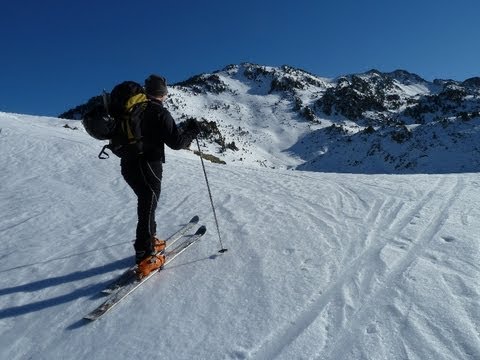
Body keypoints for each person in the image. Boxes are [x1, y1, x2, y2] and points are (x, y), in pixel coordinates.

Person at [120, 74, 201, 278]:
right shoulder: (159, 113)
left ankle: (150, 238)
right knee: (148, 202)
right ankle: (145, 255)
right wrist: (192, 131)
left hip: (129, 164)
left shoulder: (133, 110)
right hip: (149, 165)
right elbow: (177, 142)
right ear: (163, 93)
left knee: (146, 201)